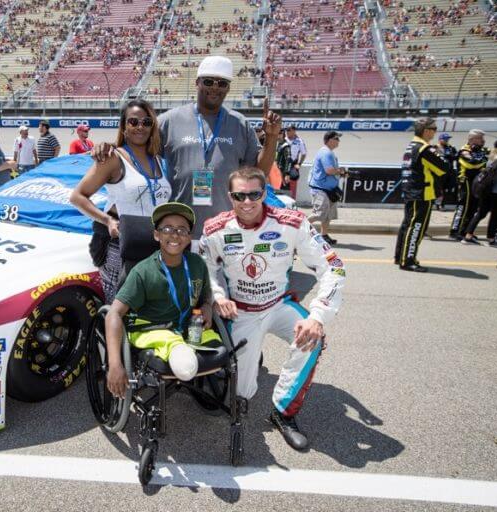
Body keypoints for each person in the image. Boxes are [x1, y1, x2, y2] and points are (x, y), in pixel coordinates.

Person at [200, 167, 344, 451]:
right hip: (241, 313)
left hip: (278, 305)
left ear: (264, 193)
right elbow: (208, 270)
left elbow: (334, 267)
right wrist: (217, 295)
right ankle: (238, 391)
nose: (247, 201)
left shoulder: (292, 222)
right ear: (230, 197)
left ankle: (283, 411)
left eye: (254, 193)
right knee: (242, 393)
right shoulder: (215, 228)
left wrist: (317, 317)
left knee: (312, 340)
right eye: (239, 195)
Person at [93, 55, 281, 238]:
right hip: (178, 230)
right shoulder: (169, 121)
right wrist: (110, 147)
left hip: (225, 229)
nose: (215, 88)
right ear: (197, 83)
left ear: (228, 88)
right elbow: (135, 151)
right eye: (208, 82)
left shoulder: (240, 124)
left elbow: (259, 172)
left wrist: (272, 138)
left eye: (222, 83)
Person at [105, 202, 219, 397]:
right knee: (186, 366)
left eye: (182, 230)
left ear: (188, 237)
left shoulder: (196, 263)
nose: (175, 234)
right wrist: (114, 364)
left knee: (222, 352)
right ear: (157, 235)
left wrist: (207, 305)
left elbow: (206, 292)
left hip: (186, 328)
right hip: (152, 330)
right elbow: (113, 313)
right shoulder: (142, 272)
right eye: (167, 229)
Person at [71, 99, 171, 303]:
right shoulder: (112, 158)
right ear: (124, 127)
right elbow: (77, 197)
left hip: (154, 246)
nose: (140, 127)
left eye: (146, 122)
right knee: (119, 312)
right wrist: (107, 221)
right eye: (133, 122)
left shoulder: (160, 161)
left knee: (147, 312)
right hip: (122, 247)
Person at [394, 118, 451, 272]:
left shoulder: (412, 145)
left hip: (412, 191)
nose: (435, 131)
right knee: (416, 227)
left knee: (407, 225)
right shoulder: (424, 148)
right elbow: (443, 168)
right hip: (422, 193)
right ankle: (408, 260)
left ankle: (400, 256)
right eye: (434, 128)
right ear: (426, 131)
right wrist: (440, 153)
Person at [461, 137, 497, 246]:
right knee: (495, 216)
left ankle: (467, 236)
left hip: (487, 190)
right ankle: (491, 239)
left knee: (480, 213)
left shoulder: (492, 157)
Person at [308, 130, 347, 246]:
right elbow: (329, 170)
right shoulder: (326, 153)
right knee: (319, 214)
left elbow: (332, 170)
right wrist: (341, 171)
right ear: (330, 140)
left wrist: (341, 172)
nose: (339, 141)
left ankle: (324, 235)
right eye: (337, 138)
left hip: (328, 190)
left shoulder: (329, 152)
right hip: (321, 189)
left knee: (328, 215)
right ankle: (299, 227)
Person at [450, 129, 489, 240]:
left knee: (473, 208)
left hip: (477, 183)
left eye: (483, 138)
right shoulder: (464, 151)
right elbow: (472, 164)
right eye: (480, 138)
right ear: (472, 139)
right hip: (465, 182)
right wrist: (485, 159)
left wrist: (485, 158)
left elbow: (495, 155)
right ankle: (454, 231)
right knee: (463, 207)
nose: (483, 140)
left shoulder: (482, 150)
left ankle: (465, 231)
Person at [434, 133, 457, 210]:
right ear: (440, 139)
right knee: (439, 188)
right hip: (439, 171)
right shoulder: (435, 147)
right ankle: (438, 204)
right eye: (445, 139)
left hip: (449, 171)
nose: (447, 140)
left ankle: (443, 204)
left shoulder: (451, 147)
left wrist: (452, 156)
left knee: (447, 188)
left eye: (448, 139)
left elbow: (456, 156)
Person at [285, 124, 307, 200]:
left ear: (294, 131)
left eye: (289, 130)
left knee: (294, 176)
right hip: (283, 163)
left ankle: (292, 199)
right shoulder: (283, 139)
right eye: (286, 130)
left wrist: (299, 164)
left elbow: (304, 154)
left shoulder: (299, 141)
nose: (287, 131)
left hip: (293, 163)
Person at [276, 128, 292, 193]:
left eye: (279, 134)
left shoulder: (286, 146)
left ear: (283, 135)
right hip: (277, 172)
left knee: (284, 192)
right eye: (277, 134)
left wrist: (287, 174)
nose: (278, 135)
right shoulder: (279, 144)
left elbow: (289, 160)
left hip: (283, 173)